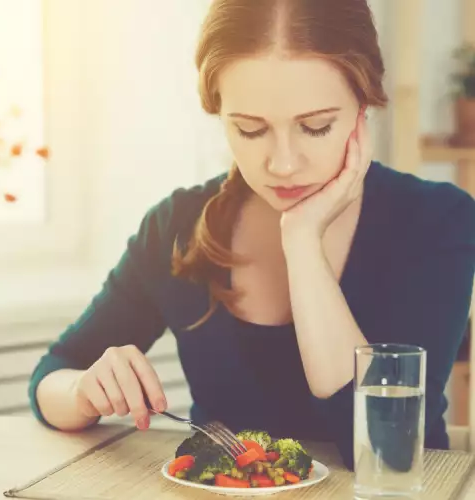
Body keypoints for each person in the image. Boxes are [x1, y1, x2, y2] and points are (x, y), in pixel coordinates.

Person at [28, 0, 475, 470]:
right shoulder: (176, 225)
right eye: (250, 129)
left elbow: (386, 453)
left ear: (363, 108)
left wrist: (302, 243)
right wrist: (84, 391)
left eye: (316, 127)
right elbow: (51, 376)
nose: (282, 164)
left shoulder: (437, 221)